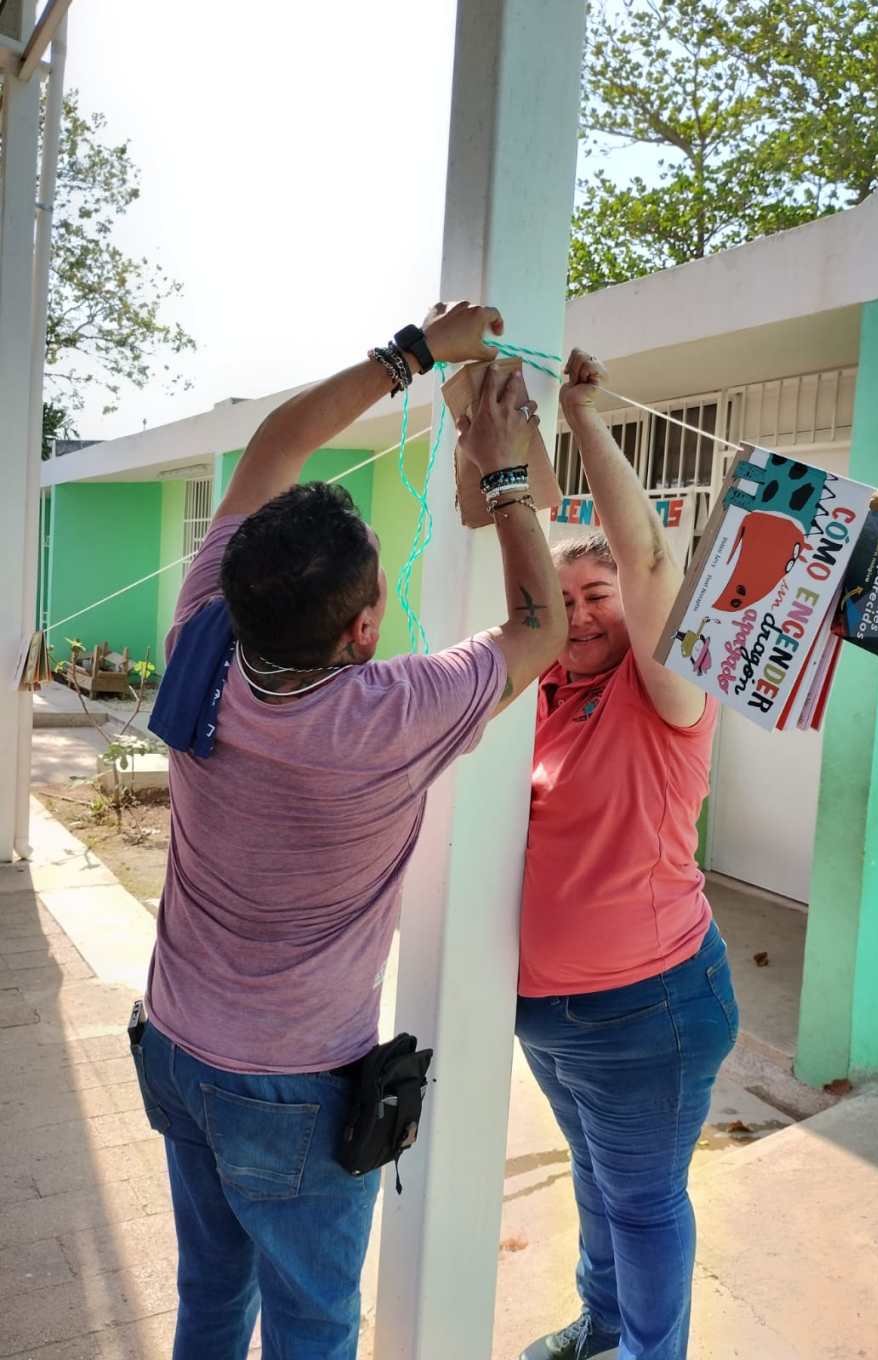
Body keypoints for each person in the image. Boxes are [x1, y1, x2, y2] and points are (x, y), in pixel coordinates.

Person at [129, 301, 568, 1360]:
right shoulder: (387, 719)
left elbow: (275, 443)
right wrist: (505, 474)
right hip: (290, 1089)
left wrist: (412, 355)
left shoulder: (201, 638)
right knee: (314, 1326)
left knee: (210, 1297)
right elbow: (542, 627)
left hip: (177, 1050)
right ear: (365, 628)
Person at [517, 350, 739, 1360]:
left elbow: (650, 561)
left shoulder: (667, 699)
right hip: (546, 1014)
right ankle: (603, 1325)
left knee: (643, 1200)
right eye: (562, 598)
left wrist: (577, 415)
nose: (581, 613)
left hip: (649, 1009)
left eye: (598, 593)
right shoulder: (539, 699)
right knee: (594, 1175)